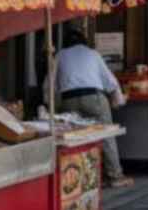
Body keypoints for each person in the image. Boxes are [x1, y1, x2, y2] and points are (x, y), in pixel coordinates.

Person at [56, 27, 133, 189]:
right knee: (106, 134)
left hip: (68, 100)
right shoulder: (92, 54)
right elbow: (109, 80)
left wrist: (52, 107)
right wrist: (118, 100)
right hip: (93, 97)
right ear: (84, 41)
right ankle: (115, 175)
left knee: (75, 138)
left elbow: (49, 85)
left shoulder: (59, 55)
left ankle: (83, 177)